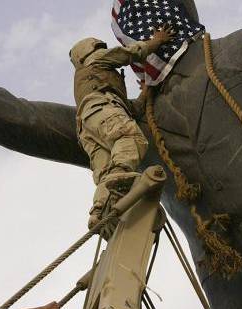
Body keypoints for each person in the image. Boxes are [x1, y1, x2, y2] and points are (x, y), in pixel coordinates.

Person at [69, 24, 174, 229]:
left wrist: (145, 92)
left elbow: (131, 109)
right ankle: (120, 186)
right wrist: (157, 41)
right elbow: (127, 54)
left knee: (106, 173)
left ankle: (100, 211)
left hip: (88, 126)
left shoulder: (91, 78)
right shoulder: (94, 60)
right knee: (129, 138)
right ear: (89, 51)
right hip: (101, 109)